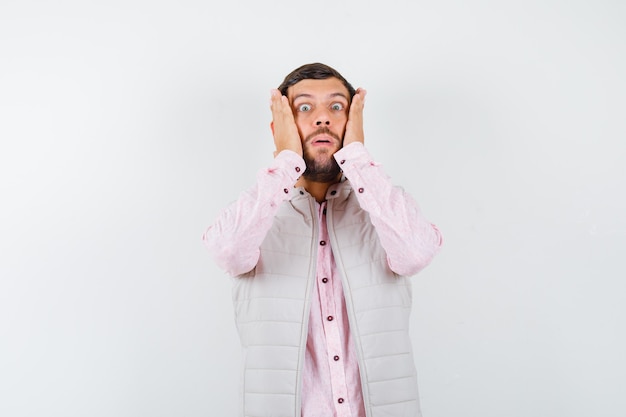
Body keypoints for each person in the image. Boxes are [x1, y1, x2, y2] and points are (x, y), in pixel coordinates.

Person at [203, 63, 442, 417]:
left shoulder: (384, 207)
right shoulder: (256, 213)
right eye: (303, 108)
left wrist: (357, 156)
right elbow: (227, 251)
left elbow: (417, 253)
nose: (322, 120)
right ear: (279, 128)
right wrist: (286, 161)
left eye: (336, 107)